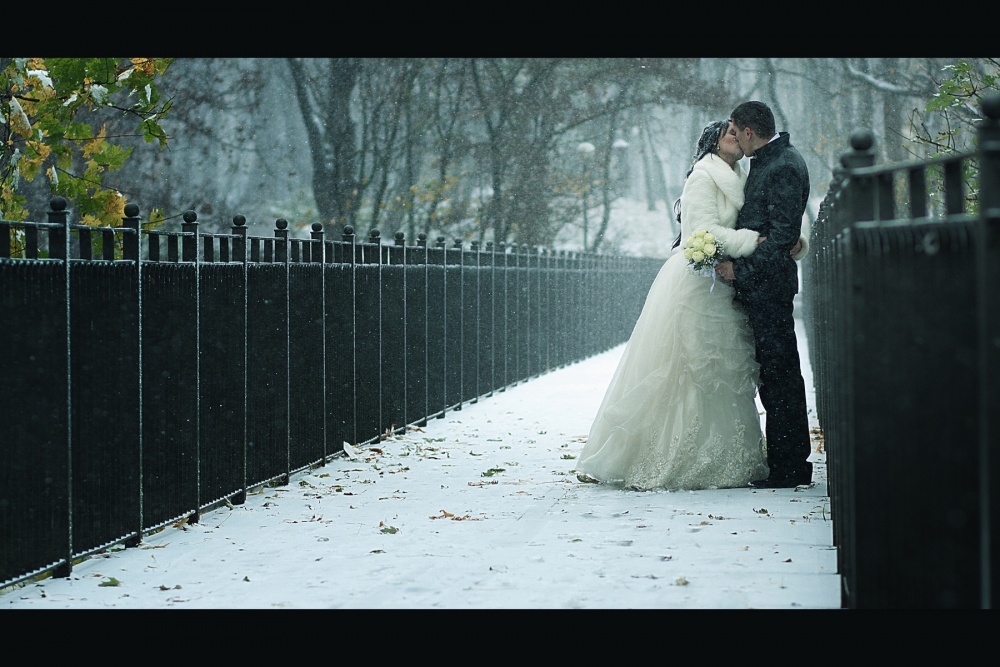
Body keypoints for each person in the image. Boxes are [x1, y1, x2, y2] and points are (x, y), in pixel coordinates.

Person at [575, 119, 807, 491]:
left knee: (724, 371)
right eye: (728, 134)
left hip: (727, 282)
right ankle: (674, 453)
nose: (735, 137)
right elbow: (703, 231)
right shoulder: (702, 176)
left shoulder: (746, 172)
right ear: (714, 144)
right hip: (700, 283)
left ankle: (725, 454)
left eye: (737, 132)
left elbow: (777, 211)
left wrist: (795, 239)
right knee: (686, 367)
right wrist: (756, 242)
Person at [715, 101, 813, 488]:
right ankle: (786, 464)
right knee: (774, 375)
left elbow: (782, 237)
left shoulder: (783, 165)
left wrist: (741, 270)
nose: (734, 138)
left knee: (780, 376)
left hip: (769, 288)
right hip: (763, 287)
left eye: (736, 131)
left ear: (749, 132)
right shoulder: (772, 161)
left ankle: (790, 467)